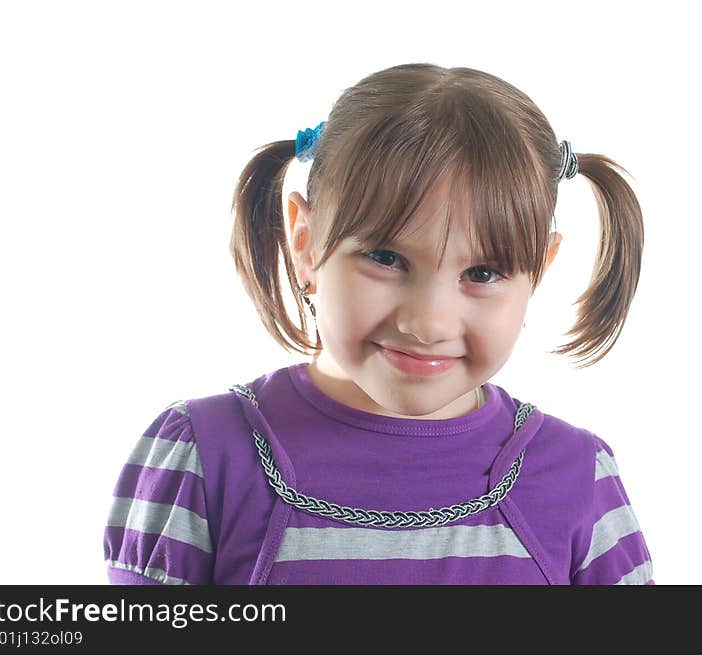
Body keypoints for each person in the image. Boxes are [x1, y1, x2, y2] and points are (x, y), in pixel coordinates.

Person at [103, 63, 652, 585]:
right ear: (304, 241)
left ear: (539, 271)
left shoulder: (580, 479)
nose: (428, 323)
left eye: (483, 272)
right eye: (387, 259)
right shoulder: (204, 458)